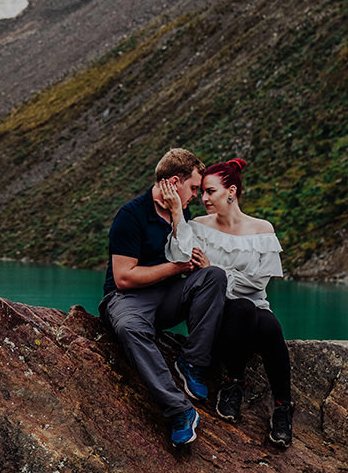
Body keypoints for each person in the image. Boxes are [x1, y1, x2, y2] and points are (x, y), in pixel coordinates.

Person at [99, 148, 227, 447]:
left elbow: (185, 258)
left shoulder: (182, 213)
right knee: (129, 327)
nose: (196, 195)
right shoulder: (131, 216)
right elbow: (124, 277)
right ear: (173, 182)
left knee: (214, 276)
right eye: (193, 188)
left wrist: (181, 223)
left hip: (167, 295)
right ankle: (180, 411)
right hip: (127, 298)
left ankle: (192, 363)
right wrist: (176, 268)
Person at [166, 158, 295, 447]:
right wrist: (177, 216)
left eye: (210, 191)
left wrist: (213, 268)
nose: (203, 198)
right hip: (215, 315)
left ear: (231, 191)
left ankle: (283, 407)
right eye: (202, 192)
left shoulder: (261, 229)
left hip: (252, 310)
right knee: (243, 308)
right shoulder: (198, 226)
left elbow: (257, 284)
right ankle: (234, 383)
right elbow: (181, 259)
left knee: (268, 324)